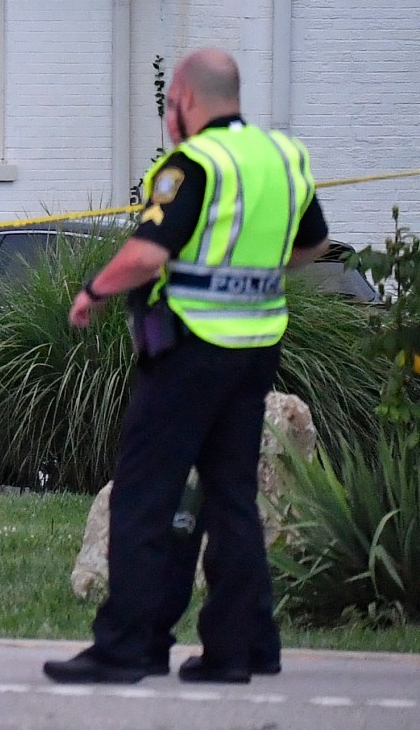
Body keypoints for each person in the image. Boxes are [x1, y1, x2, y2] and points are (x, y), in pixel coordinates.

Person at [43, 48, 329, 687]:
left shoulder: (192, 163)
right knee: (230, 496)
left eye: (171, 103)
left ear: (185, 100)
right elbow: (313, 245)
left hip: (191, 350)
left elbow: (147, 256)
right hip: (257, 347)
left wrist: (92, 290)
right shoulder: (282, 158)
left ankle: (126, 647)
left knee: (147, 493)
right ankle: (241, 648)